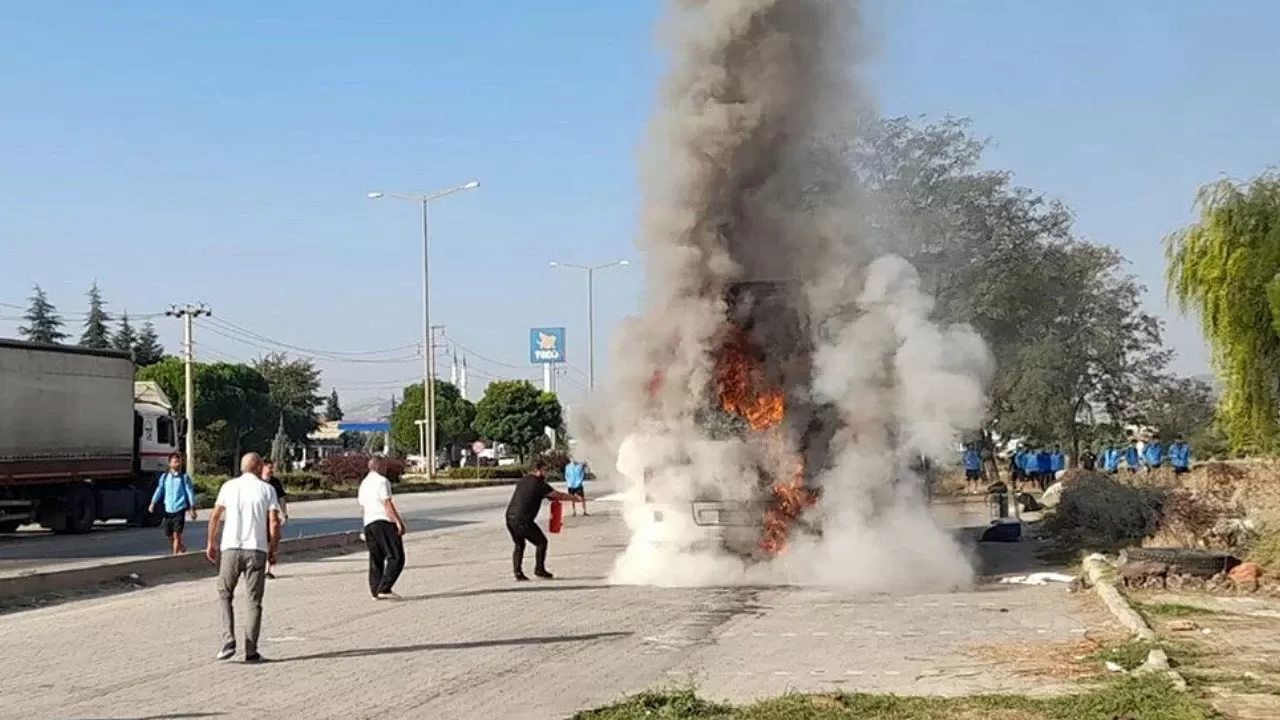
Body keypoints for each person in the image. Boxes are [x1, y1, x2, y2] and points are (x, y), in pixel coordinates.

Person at [206, 452, 281, 664]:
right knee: (254, 601)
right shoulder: (267, 490)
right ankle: (251, 650)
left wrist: (211, 542)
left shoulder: (228, 487)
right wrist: (273, 549)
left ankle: (228, 639)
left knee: (224, 593)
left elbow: (215, 514)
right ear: (258, 468)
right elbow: (274, 523)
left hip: (230, 548)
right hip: (256, 550)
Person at [505, 457, 575, 581]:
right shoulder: (540, 484)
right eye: (545, 470)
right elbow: (558, 495)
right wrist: (575, 498)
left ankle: (518, 572)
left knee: (519, 544)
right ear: (538, 470)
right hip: (523, 520)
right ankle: (539, 569)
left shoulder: (524, 480)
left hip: (510, 518)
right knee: (541, 542)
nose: (546, 473)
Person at [358, 456, 407, 600]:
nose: (386, 468)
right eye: (384, 466)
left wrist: (364, 526)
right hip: (383, 521)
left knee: (376, 558)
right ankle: (385, 588)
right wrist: (398, 522)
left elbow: (363, 506)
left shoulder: (364, 484)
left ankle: (375, 590)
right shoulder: (382, 481)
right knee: (396, 557)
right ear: (378, 467)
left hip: (369, 523)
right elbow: (387, 504)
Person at [148, 453, 198, 555]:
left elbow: (189, 492)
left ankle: (174, 556)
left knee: (176, 535)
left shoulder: (184, 478)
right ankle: (180, 545)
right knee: (169, 535)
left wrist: (192, 508)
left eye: (179, 461)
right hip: (168, 509)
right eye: (175, 462)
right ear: (170, 463)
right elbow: (159, 490)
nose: (177, 464)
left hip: (180, 509)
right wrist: (153, 503)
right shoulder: (165, 477)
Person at [261, 460, 289, 579]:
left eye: (272, 468)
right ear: (262, 468)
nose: (271, 470)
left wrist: (284, 514)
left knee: (272, 541)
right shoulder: (257, 482)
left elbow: (282, 499)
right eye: (269, 468)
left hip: (271, 515)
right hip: (258, 516)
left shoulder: (275, 483)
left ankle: (268, 569)